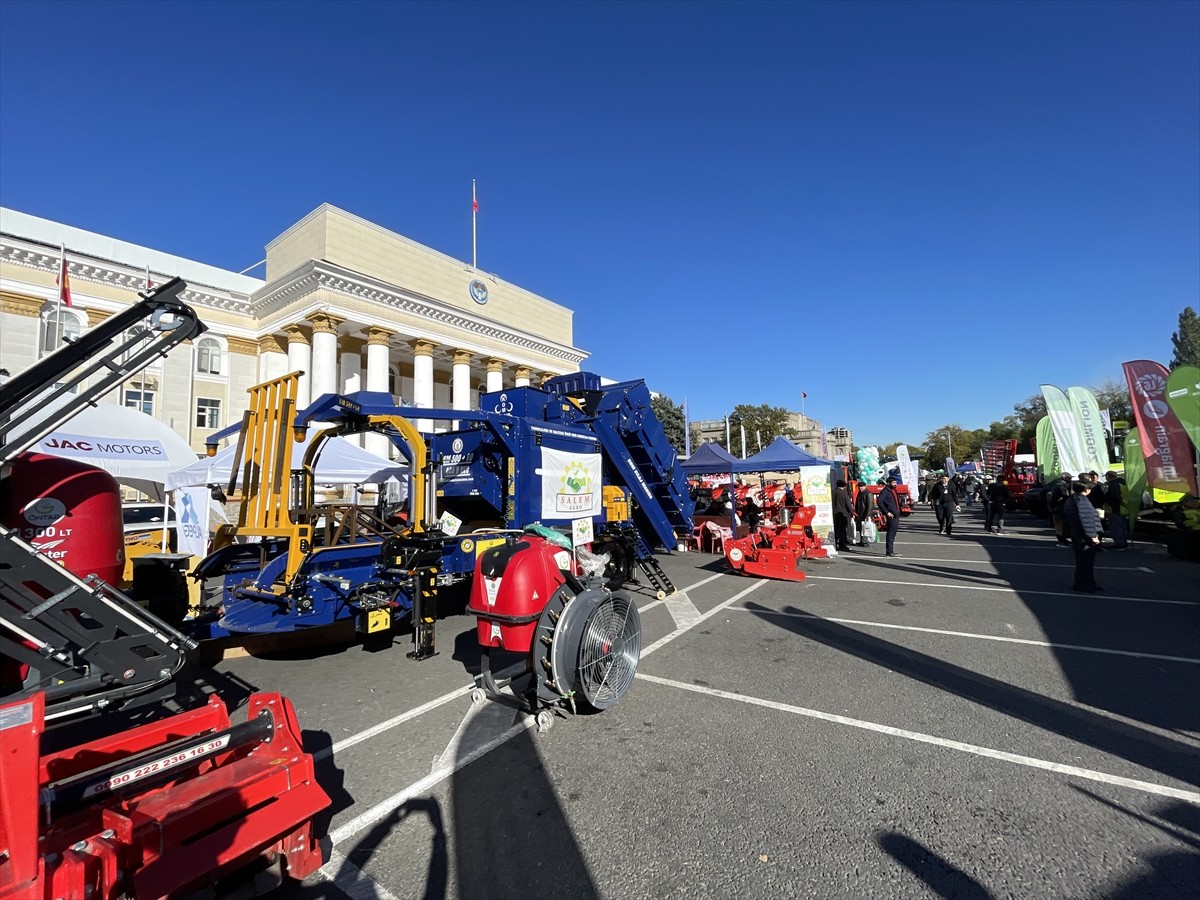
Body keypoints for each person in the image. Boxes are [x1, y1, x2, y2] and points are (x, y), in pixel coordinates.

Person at [1062, 479, 1103, 592]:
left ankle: (1087, 583)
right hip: (1084, 536)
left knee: (1082, 562)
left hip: (1077, 534)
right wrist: (1093, 536)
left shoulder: (1073, 499)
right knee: (1086, 562)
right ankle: (1085, 585)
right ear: (1087, 490)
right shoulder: (1082, 501)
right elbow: (1086, 519)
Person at [1101, 471, 1127, 549]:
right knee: (1122, 527)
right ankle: (1123, 543)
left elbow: (1114, 497)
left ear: (1109, 476)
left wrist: (1106, 500)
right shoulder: (1122, 483)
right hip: (1123, 508)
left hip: (1114, 508)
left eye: (1106, 476)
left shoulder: (1114, 484)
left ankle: (1119, 544)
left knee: (1116, 527)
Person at [877, 476, 902, 556]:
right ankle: (889, 551)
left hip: (896, 514)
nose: (895, 484)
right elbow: (879, 502)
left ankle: (891, 550)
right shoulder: (885, 491)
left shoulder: (893, 490)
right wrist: (887, 512)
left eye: (895, 482)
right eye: (893, 483)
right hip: (891, 515)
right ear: (888, 483)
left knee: (893, 533)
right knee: (890, 533)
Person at [1047, 473, 1074, 546]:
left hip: (1059, 508)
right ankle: (1062, 540)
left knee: (1061, 525)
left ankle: (1063, 539)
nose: (1070, 479)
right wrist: (1052, 507)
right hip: (1059, 508)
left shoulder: (1061, 485)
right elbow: (1056, 498)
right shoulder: (1060, 486)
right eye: (1069, 478)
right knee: (1060, 525)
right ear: (1064, 477)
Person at [832, 479, 854, 551]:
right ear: (844, 486)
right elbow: (848, 505)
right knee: (842, 530)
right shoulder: (844, 494)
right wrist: (852, 512)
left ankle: (834, 544)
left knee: (835, 529)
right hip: (843, 514)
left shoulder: (832, 492)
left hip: (833, 513)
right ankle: (842, 545)